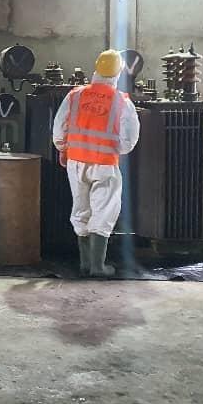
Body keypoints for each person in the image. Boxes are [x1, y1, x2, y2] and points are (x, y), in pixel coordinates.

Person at [52, 49, 140, 278]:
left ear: (96, 69)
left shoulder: (75, 95)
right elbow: (128, 142)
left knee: (81, 210)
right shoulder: (122, 101)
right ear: (118, 73)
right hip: (104, 164)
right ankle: (98, 267)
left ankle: (85, 264)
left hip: (76, 162)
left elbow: (59, 129)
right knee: (104, 211)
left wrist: (63, 149)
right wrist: (112, 148)